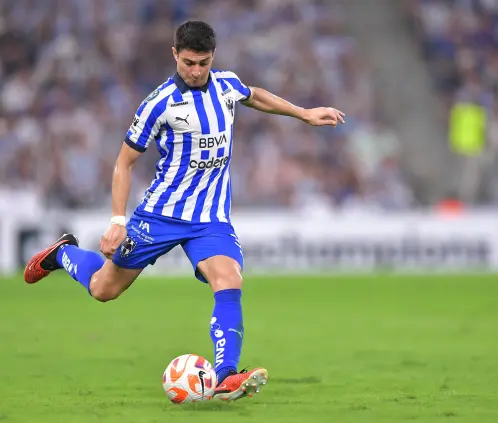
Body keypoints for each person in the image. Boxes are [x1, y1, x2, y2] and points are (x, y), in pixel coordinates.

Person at [24, 20, 345, 401]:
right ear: (175, 54)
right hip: (159, 216)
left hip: (209, 219)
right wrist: (117, 221)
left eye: (203, 63)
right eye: (188, 63)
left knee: (229, 280)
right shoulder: (158, 103)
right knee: (103, 289)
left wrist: (303, 113)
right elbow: (124, 162)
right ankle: (64, 253)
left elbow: (253, 95)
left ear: (213, 57)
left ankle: (226, 376)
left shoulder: (226, 85)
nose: (195, 71)